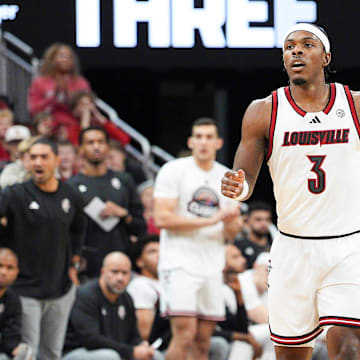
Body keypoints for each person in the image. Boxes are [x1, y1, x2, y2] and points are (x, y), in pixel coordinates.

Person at [221, 22, 360, 359]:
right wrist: (237, 188)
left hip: (348, 245)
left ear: (326, 56)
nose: (296, 50)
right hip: (292, 249)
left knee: (350, 345)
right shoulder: (263, 111)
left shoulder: (355, 104)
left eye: (307, 44)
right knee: (291, 355)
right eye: (289, 46)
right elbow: (245, 176)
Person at [153, 117, 240, 360]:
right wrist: (213, 219)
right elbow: (162, 219)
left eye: (209, 137)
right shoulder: (174, 170)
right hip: (179, 263)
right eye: (199, 136)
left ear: (219, 142)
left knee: (203, 342)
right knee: (185, 335)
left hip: (212, 265)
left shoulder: (227, 177)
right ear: (190, 141)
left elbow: (231, 234)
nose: (203, 142)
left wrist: (232, 218)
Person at [0, 138, 87, 359]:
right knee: (27, 352)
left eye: (44, 157)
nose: (38, 162)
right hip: (24, 289)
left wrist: (74, 264)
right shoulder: (14, 194)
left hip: (60, 288)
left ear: (57, 160)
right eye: (33, 157)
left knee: (52, 353)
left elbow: (79, 230)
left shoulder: (71, 195)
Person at [68, 127, 147, 279]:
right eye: (90, 142)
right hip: (87, 268)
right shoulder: (71, 186)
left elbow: (141, 227)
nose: (96, 146)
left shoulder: (125, 181)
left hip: (121, 265)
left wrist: (123, 214)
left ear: (108, 147)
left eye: (100, 142)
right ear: (81, 149)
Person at [64, 251, 163, 360]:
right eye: (115, 272)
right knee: (110, 357)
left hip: (116, 351)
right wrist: (131, 351)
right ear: (103, 272)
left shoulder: (126, 298)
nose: (120, 278)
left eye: (125, 273)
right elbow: (91, 340)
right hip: (79, 352)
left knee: (155, 356)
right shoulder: (86, 295)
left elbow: (133, 336)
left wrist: (141, 345)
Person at [28, 43, 91, 145]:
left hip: (73, 127)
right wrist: (53, 96)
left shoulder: (80, 82)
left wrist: (69, 95)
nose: (65, 59)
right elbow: (34, 109)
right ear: (52, 59)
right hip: (48, 126)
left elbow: (86, 107)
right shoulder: (40, 82)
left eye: (69, 56)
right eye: (61, 55)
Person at [217, 243, 263, 360]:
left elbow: (240, 327)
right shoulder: (215, 286)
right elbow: (219, 327)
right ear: (221, 262)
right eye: (235, 257)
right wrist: (245, 337)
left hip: (227, 337)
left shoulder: (234, 286)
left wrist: (239, 295)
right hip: (215, 337)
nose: (243, 260)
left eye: (241, 256)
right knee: (242, 345)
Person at [0, 248, 32, 360]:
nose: (4, 272)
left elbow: (11, 335)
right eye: (0, 266)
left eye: (9, 268)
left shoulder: (13, 300)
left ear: (16, 272)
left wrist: (18, 351)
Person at [235, 201, 272, 268]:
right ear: (247, 219)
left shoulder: (275, 244)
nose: (264, 224)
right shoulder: (239, 246)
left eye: (267, 219)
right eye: (258, 219)